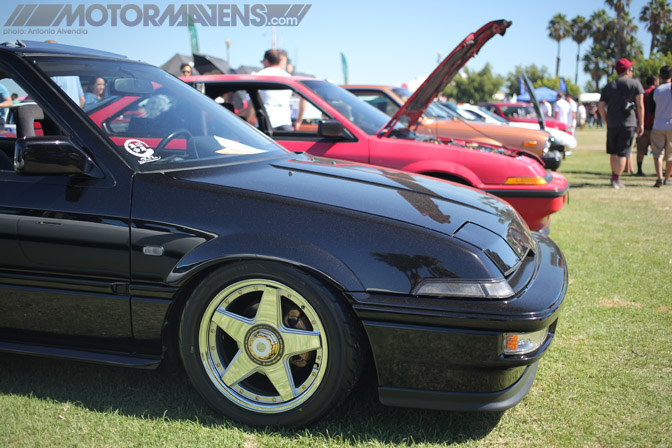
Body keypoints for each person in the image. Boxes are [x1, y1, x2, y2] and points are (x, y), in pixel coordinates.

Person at [598, 58, 644, 189]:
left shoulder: (609, 85)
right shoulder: (635, 84)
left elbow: (601, 106)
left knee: (613, 152)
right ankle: (616, 179)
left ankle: (614, 176)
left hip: (612, 124)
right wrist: (641, 124)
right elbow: (640, 105)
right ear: (627, 70)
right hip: (628, 123)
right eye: (631, 68)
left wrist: (606, 119)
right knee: (623, 153)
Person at [253, 49, 294, 131]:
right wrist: (299, 120)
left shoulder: (258, 76)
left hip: (265, 124)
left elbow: (253, 101)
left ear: (266, 61)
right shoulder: (288, 78)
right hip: (285, 123)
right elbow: (303, 100)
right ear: (279, 61)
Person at [650, 65, 672, 187]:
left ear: (660, 77)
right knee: (670, 154)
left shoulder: (655, 90)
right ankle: (667, 178)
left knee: (658, 153)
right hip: (671, 125)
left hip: (658, 124)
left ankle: (659, 178)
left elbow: (651, 110)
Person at [635, 75, 659, 176]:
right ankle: (660, 171)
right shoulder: (657, 92)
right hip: (656, 126)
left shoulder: (642, 93)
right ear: (654, 81)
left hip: (643, 126)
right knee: (658, 151)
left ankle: (639, 170)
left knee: (640, 150)